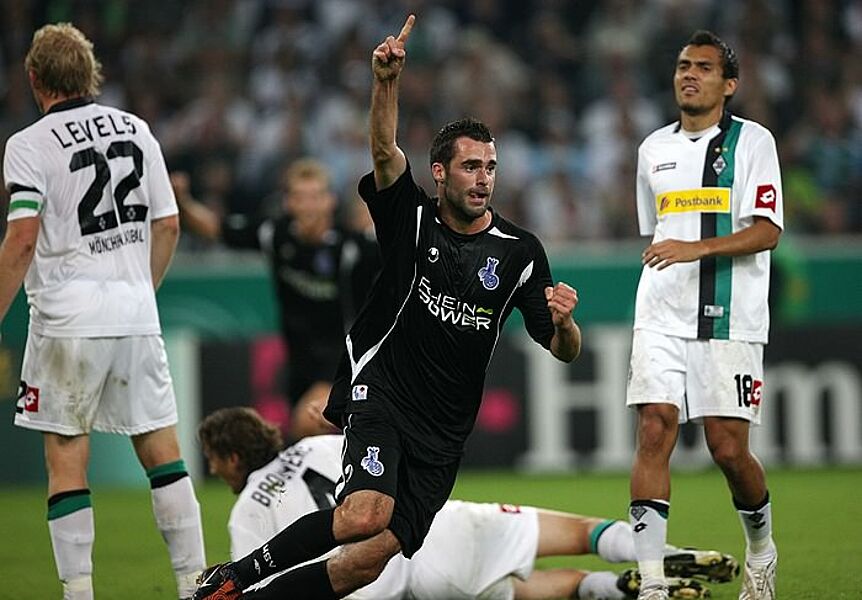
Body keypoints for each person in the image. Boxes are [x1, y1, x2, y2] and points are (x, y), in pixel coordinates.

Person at [194, 14, 583, 600]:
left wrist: (565, 323)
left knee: (368, 561)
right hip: (385, 393)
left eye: (490, 167)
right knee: (363, 515)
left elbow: (562, 349)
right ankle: (234, 577)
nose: (483, 179)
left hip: (444, 432)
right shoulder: (412, 217)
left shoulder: (521, 251)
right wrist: (386, 82)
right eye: (470, 166)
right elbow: (382, 150)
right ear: (440, 172)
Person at [0, 23, 206, 599]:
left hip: (67, 320)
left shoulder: (28, 145)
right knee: (163, 454)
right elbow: (168, 224)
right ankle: (196, 585)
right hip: (135, 314)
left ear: (34, 78)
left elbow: (21, 240)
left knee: (67, 458)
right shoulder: (137, 129)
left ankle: (79, 594)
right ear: (90, 73)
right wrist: (141, 290)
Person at [199, 407, 740, 599]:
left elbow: (255, 585)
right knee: (576, 531)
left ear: (231, 457)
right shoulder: (322, 444)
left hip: (376, 587)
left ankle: (610, 589)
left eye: (213, 459)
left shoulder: (247, 510)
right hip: (426, 534)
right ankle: (661, 557)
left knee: (507, 592)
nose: (214, 469)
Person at [626, 30, 783, 600]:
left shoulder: (753, 142)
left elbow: (767, 231)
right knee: (654, 428)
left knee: (728, 449)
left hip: (730, 317)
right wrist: (679, 252)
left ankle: (762, 550)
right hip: (661, 312)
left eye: (704, 67)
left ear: (729, 84)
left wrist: (695, 249)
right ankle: (652, 583)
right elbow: (657, 233)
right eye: (682, 66)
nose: (689, 74)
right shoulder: (652, 149)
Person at [170, 158, 380, 440]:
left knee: (306, 424)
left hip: (342, 362)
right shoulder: (275, 235)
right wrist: (182, 202)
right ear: (288, 202)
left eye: (315, 197)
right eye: (300, 197)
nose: (308, 206)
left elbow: (400, 257)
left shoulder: (351, 247)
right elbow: (215, 228)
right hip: (297, 361)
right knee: (310, 438)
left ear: (330, 201)